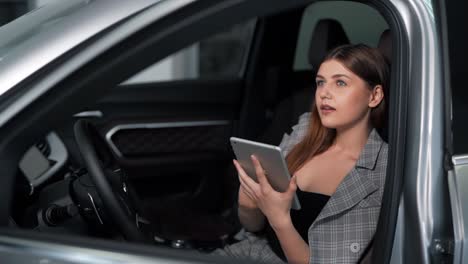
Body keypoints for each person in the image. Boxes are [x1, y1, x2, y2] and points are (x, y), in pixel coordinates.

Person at [214, 43, 389, 264]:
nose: (324, 93)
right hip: (247, 253)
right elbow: (253, 227)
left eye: (340, 83)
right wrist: (249, 203)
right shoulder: (305, 131)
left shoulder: (381, 170)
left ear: (374, 96)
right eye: (320, 82)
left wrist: (280, 220)